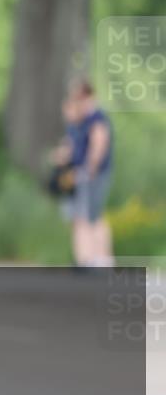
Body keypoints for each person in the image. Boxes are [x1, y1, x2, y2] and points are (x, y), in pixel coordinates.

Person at [59, 78, 115, 268]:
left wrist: (89, 169)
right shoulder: (82, 120)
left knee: (94, 215)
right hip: (83, 174)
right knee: (86, 216)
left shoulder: (96, 118)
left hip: (94, 174)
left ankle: (102, 258)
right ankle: (90, 258)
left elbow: (98, 145)